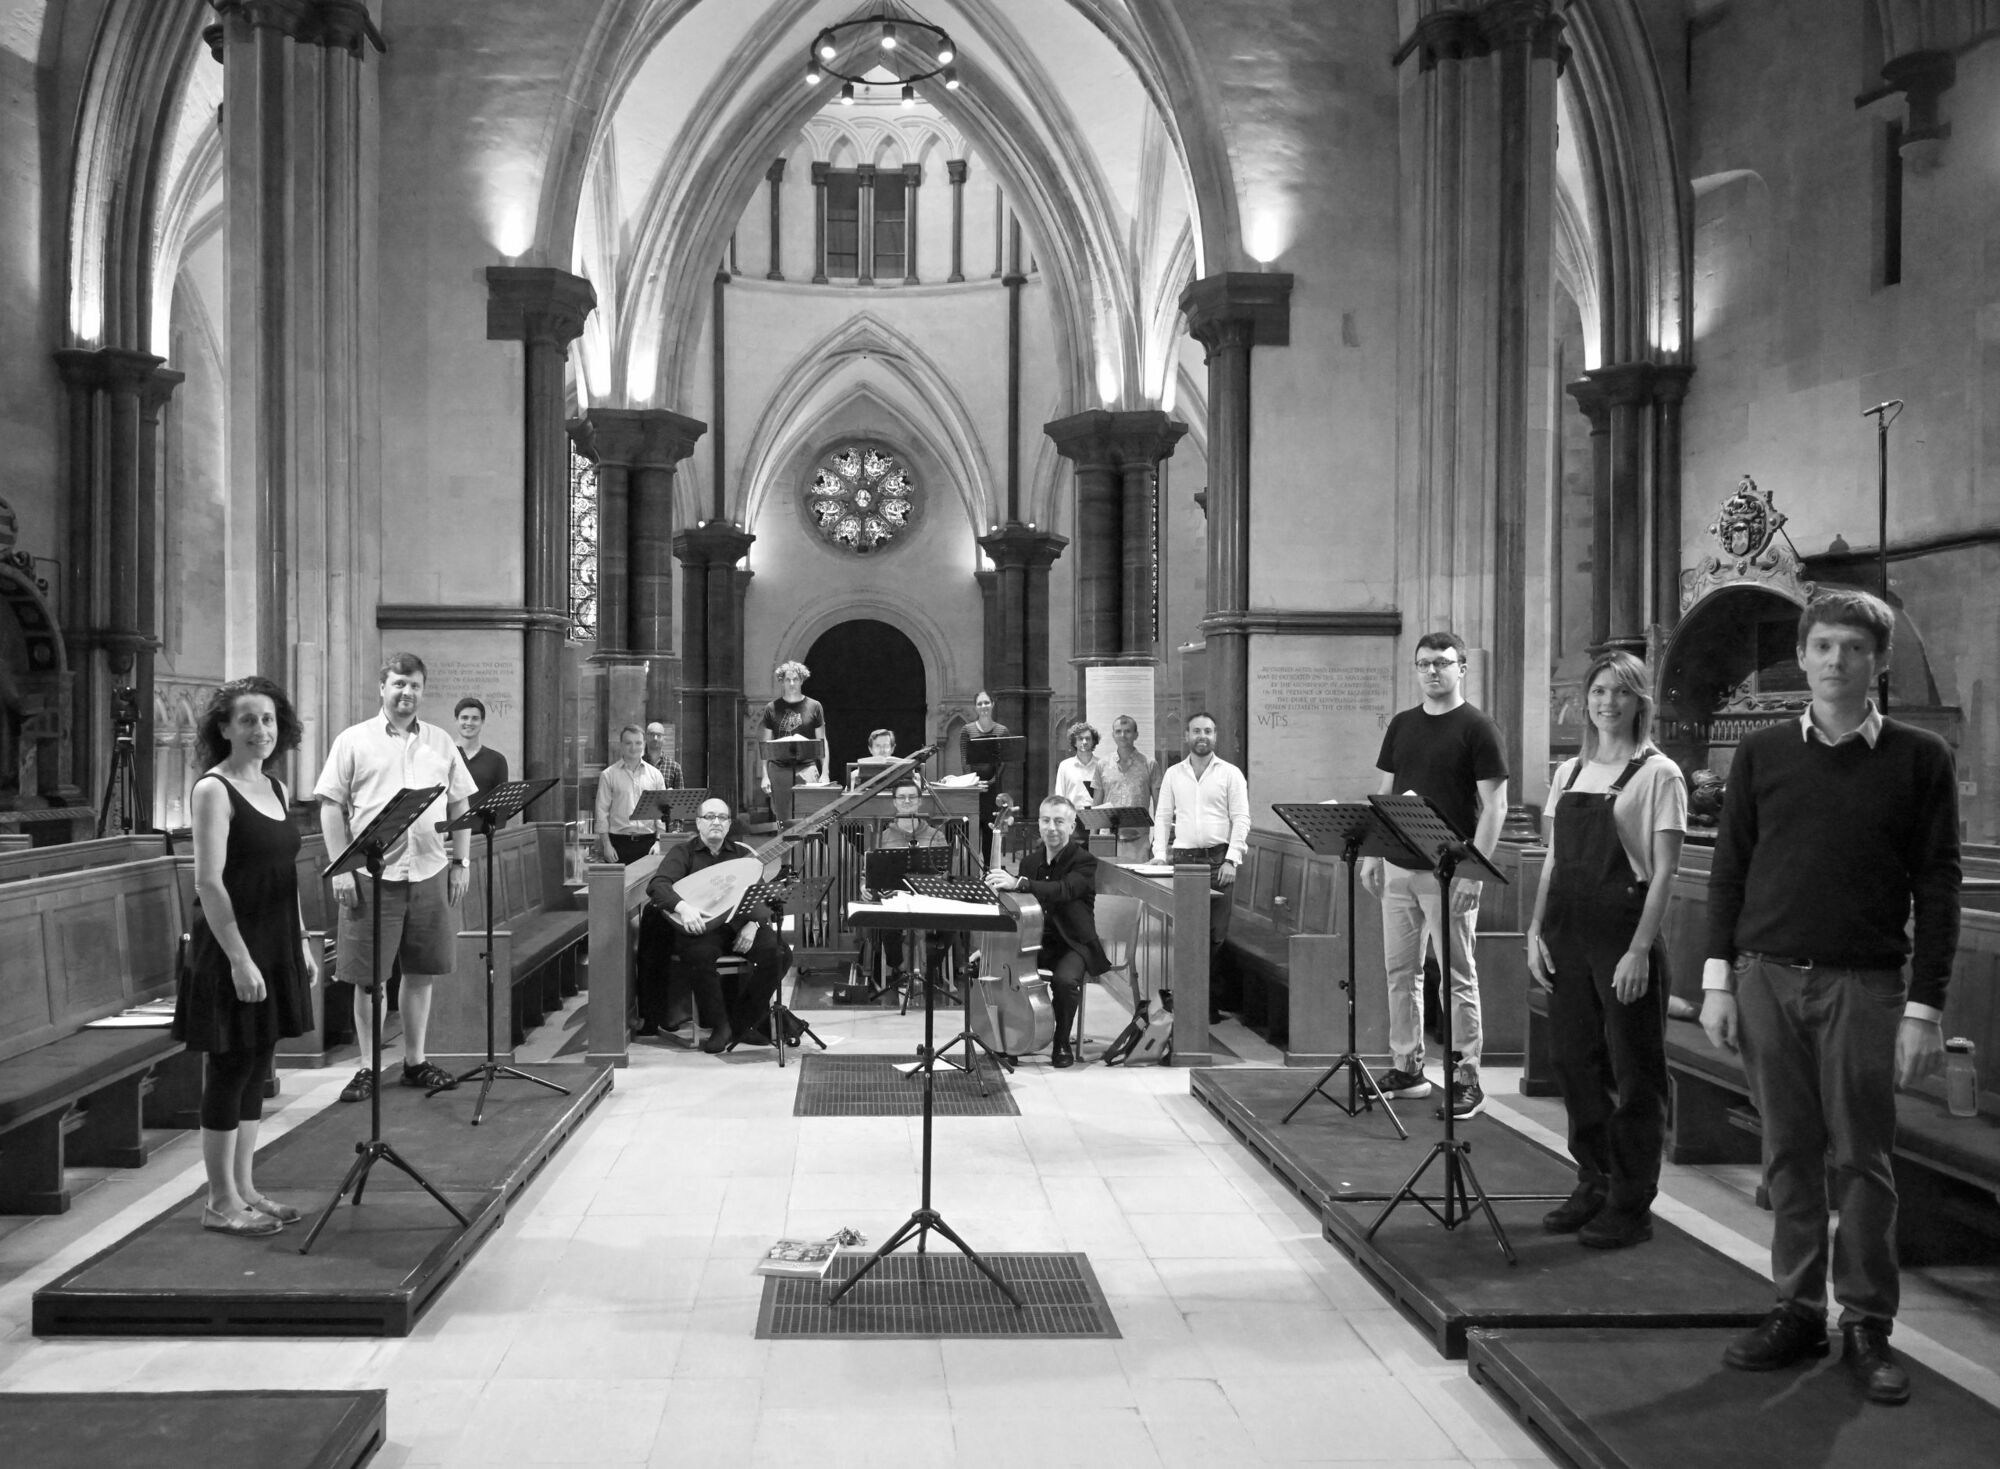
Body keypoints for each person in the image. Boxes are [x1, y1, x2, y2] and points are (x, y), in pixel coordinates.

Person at [1702, 589, 1960, 1406]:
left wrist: (1925, 1005)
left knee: (1864, 1160)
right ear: (1802, 657)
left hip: (1865, 982)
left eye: (1854, 647)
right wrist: (1716, 978)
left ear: (1878, 661)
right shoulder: (1765, 754)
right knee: (1786, 1153)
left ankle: (1868, 1323)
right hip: (1767, 975)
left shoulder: (1920, 758)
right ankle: (1797, 1307)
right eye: (1823, 646)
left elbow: (1939, 885)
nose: (1837, 661)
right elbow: (1730, 868)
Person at [1524, 650, 1687, 1249]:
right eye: (1598, 692)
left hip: (1623, 931)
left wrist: (1640, 949)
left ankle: (1630, 1200)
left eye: (1620, 693)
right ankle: (1591, 1177)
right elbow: (1555, 861)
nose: (1607, 703)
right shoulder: (1569, 773)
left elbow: (1666, 871)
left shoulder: (1658, 774)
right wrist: (1536, 929)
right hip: (1568, 929)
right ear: (1585, 700)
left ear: (1638, 701)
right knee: (1573, 1061)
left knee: (1635, 1070)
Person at [174, 676, 319, 1237]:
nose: (261, 730)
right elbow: (209, 883)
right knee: (231, 1067)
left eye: (269, 720)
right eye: (248, 720)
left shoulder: (277, 789)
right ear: (224, 728)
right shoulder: (213, 790)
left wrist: (302, 942)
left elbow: (285, 876)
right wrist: (239, 959)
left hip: (276, 940)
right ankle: (218, 1200)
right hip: (230, 946)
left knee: (260, 1066)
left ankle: (246, 1189)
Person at [1361, 631, 1508, 1120]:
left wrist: (1474, 871)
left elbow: (1495, 806)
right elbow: (1385, 794)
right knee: (1400, 972)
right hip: (1399, 869)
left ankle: (1467, 1077)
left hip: (1448, 873)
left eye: (1443, 663)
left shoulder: (1478, 727)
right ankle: (1408, 1067)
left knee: (1457, 977)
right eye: (1424, 664)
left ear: (1461, 667)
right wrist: (1371, 854)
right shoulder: (1402, 725)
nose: (1432, 672)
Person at [316, 652, 475, 1102]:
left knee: (421, 972)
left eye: (415, 686)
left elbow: (461, 802)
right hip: (371, 874)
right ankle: (367, 1067)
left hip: (429, 869)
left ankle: (415, 1061)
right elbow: (330, 805)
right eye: (399, 684)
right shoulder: (353, 740)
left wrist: (461, 861)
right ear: (382, 687)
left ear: (424, 690)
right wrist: (340, 867)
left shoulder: (441, 742)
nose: (407, 693)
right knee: (370, 978)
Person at [649, 798, 790, 1052]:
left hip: (741, 925)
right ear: (699, 823)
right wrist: (683, 907)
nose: (717, 822)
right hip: (704, 928)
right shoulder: (684, 852)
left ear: (728, 824)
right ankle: (720, 1024)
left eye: (723, 818)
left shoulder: (742, 854)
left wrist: (755, 924)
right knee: (698, 954)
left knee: (780, 954)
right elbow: (658, 886)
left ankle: (744, 1020)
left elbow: (761, 897)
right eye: (710, 817)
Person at [987, 794, 1110, 1068]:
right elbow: (1020, 908)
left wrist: (1020, 883)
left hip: (1073, 943)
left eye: (1059, 821)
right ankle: (1013, 1040)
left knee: (1065, 983)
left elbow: (1063, 890)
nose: (1051, 828)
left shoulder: (1085, 861)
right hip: (1036, 941)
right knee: (1007, 976)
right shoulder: (1031, 863)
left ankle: (1062, 1041)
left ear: (1072, 825)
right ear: (1039, 824)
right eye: (1046, 820)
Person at [1151, 712, 1251, 1021]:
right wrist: (1159, 853)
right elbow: (1163, 815)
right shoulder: (1174, 774)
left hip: (1218, 860)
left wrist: (1233, 858)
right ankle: (1188, 1003)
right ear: (1186, 736)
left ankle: (1205, 1004)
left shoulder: (1230, 773)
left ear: (1216, 736)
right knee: (1186, 933)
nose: (1202, 736)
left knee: (1215, 936)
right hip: (1183, 860)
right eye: (1196, 731)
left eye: (1208, 730)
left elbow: (1241, 818)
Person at [862, 777, 949, 992]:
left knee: (950, 925)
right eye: (902, 797)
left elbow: (944, 873)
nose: (907, 801)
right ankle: (900, 967)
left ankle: (931, 967)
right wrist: (864, 886)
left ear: (920, 802)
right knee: (885, 924)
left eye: (912, 797)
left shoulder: (935, 836)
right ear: (894, 802)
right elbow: (868, 873)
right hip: (893, 901)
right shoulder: (882, 837)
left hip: (928, 900)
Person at [759, 660, 829, 818]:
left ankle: (806, 844)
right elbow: (765, 745)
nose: (791, 683)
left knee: (808, 814)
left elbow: (822, 741)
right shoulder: (771, 708)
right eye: (787, 680)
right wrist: (764, 775)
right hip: (778, 768)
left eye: (795, 679)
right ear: (782, 682)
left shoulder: (814, 706)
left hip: (807, 767)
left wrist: (825, 772)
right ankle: (781, 841)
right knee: (781, 817)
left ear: (802, 680)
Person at [596, 723, 666, 863]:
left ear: (644, 744)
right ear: (621, 745)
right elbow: (601, 812)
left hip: (649, 843)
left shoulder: (656, 775)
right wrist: (607, 845)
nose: (633, 748)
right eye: (628, 743)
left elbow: (661, 813)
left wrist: (659, 842)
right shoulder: (608, 775)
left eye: (638, 743)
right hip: (618, 844)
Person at [1098, 713, 1159, 862]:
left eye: (1127, 731)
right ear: (1113, 735)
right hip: (1107, 839)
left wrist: (1158, 842)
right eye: (1118, 731)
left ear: (1136, 735)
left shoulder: (1149, 764)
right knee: (1106, 883)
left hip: (1138, 840)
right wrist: (1094, 839)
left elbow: (1159, 807)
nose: (1123, 735)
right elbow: (1096, 805)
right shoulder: (1102, 765)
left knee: (1136, 883)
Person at [961, 690, 1010, 845]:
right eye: (980, 703)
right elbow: (964, 760)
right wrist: (974, 782)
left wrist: (991, 782)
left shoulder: (1002, 731)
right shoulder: (967, 730)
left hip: (993, 789)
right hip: (973, 788)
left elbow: (1004, 761)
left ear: (993, 704)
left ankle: (989, 868)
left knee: (991, 832)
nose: (984, 706)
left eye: (986, 702)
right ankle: (972, 870)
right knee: (972, 833)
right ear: (975, 707)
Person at [454, 697, 508, 794]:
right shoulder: (443, 755)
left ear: (482, 721)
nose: (469, 723)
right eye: (464, 718)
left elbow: (501, 804)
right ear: (456, 720)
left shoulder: (497, 760)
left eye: (475, 718)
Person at [1053, 721, 1104, 811]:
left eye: (1088, 738)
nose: (1084, 742)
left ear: (1093, 742)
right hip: (1072, 817)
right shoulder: (1065, 766)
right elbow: (1060, 795)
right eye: (1080, 739)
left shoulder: (1102, 765)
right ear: (1074, 742)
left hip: (1097, 817)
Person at [644, 721, 684, 789]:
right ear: (645, 737)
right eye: (651, 734)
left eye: (659, 735)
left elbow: (680, 797)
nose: (655, 738)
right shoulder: (639, 764)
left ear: (664, 739)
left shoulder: (674, 767)